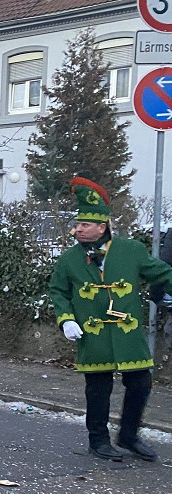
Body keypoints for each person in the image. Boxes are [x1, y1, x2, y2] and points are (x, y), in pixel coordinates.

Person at [49, 177, 172, 462]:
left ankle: (128, 435)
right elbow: (57, 291)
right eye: (76, 225)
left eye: (84, 225)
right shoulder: (69, 259)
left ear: (102, 227)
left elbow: (162, 273)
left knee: (141, 382)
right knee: (98, 388)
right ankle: (98, 440)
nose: (77, 229)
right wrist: (66, 319)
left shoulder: (131, 251)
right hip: (93, 334)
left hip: (128, 335)